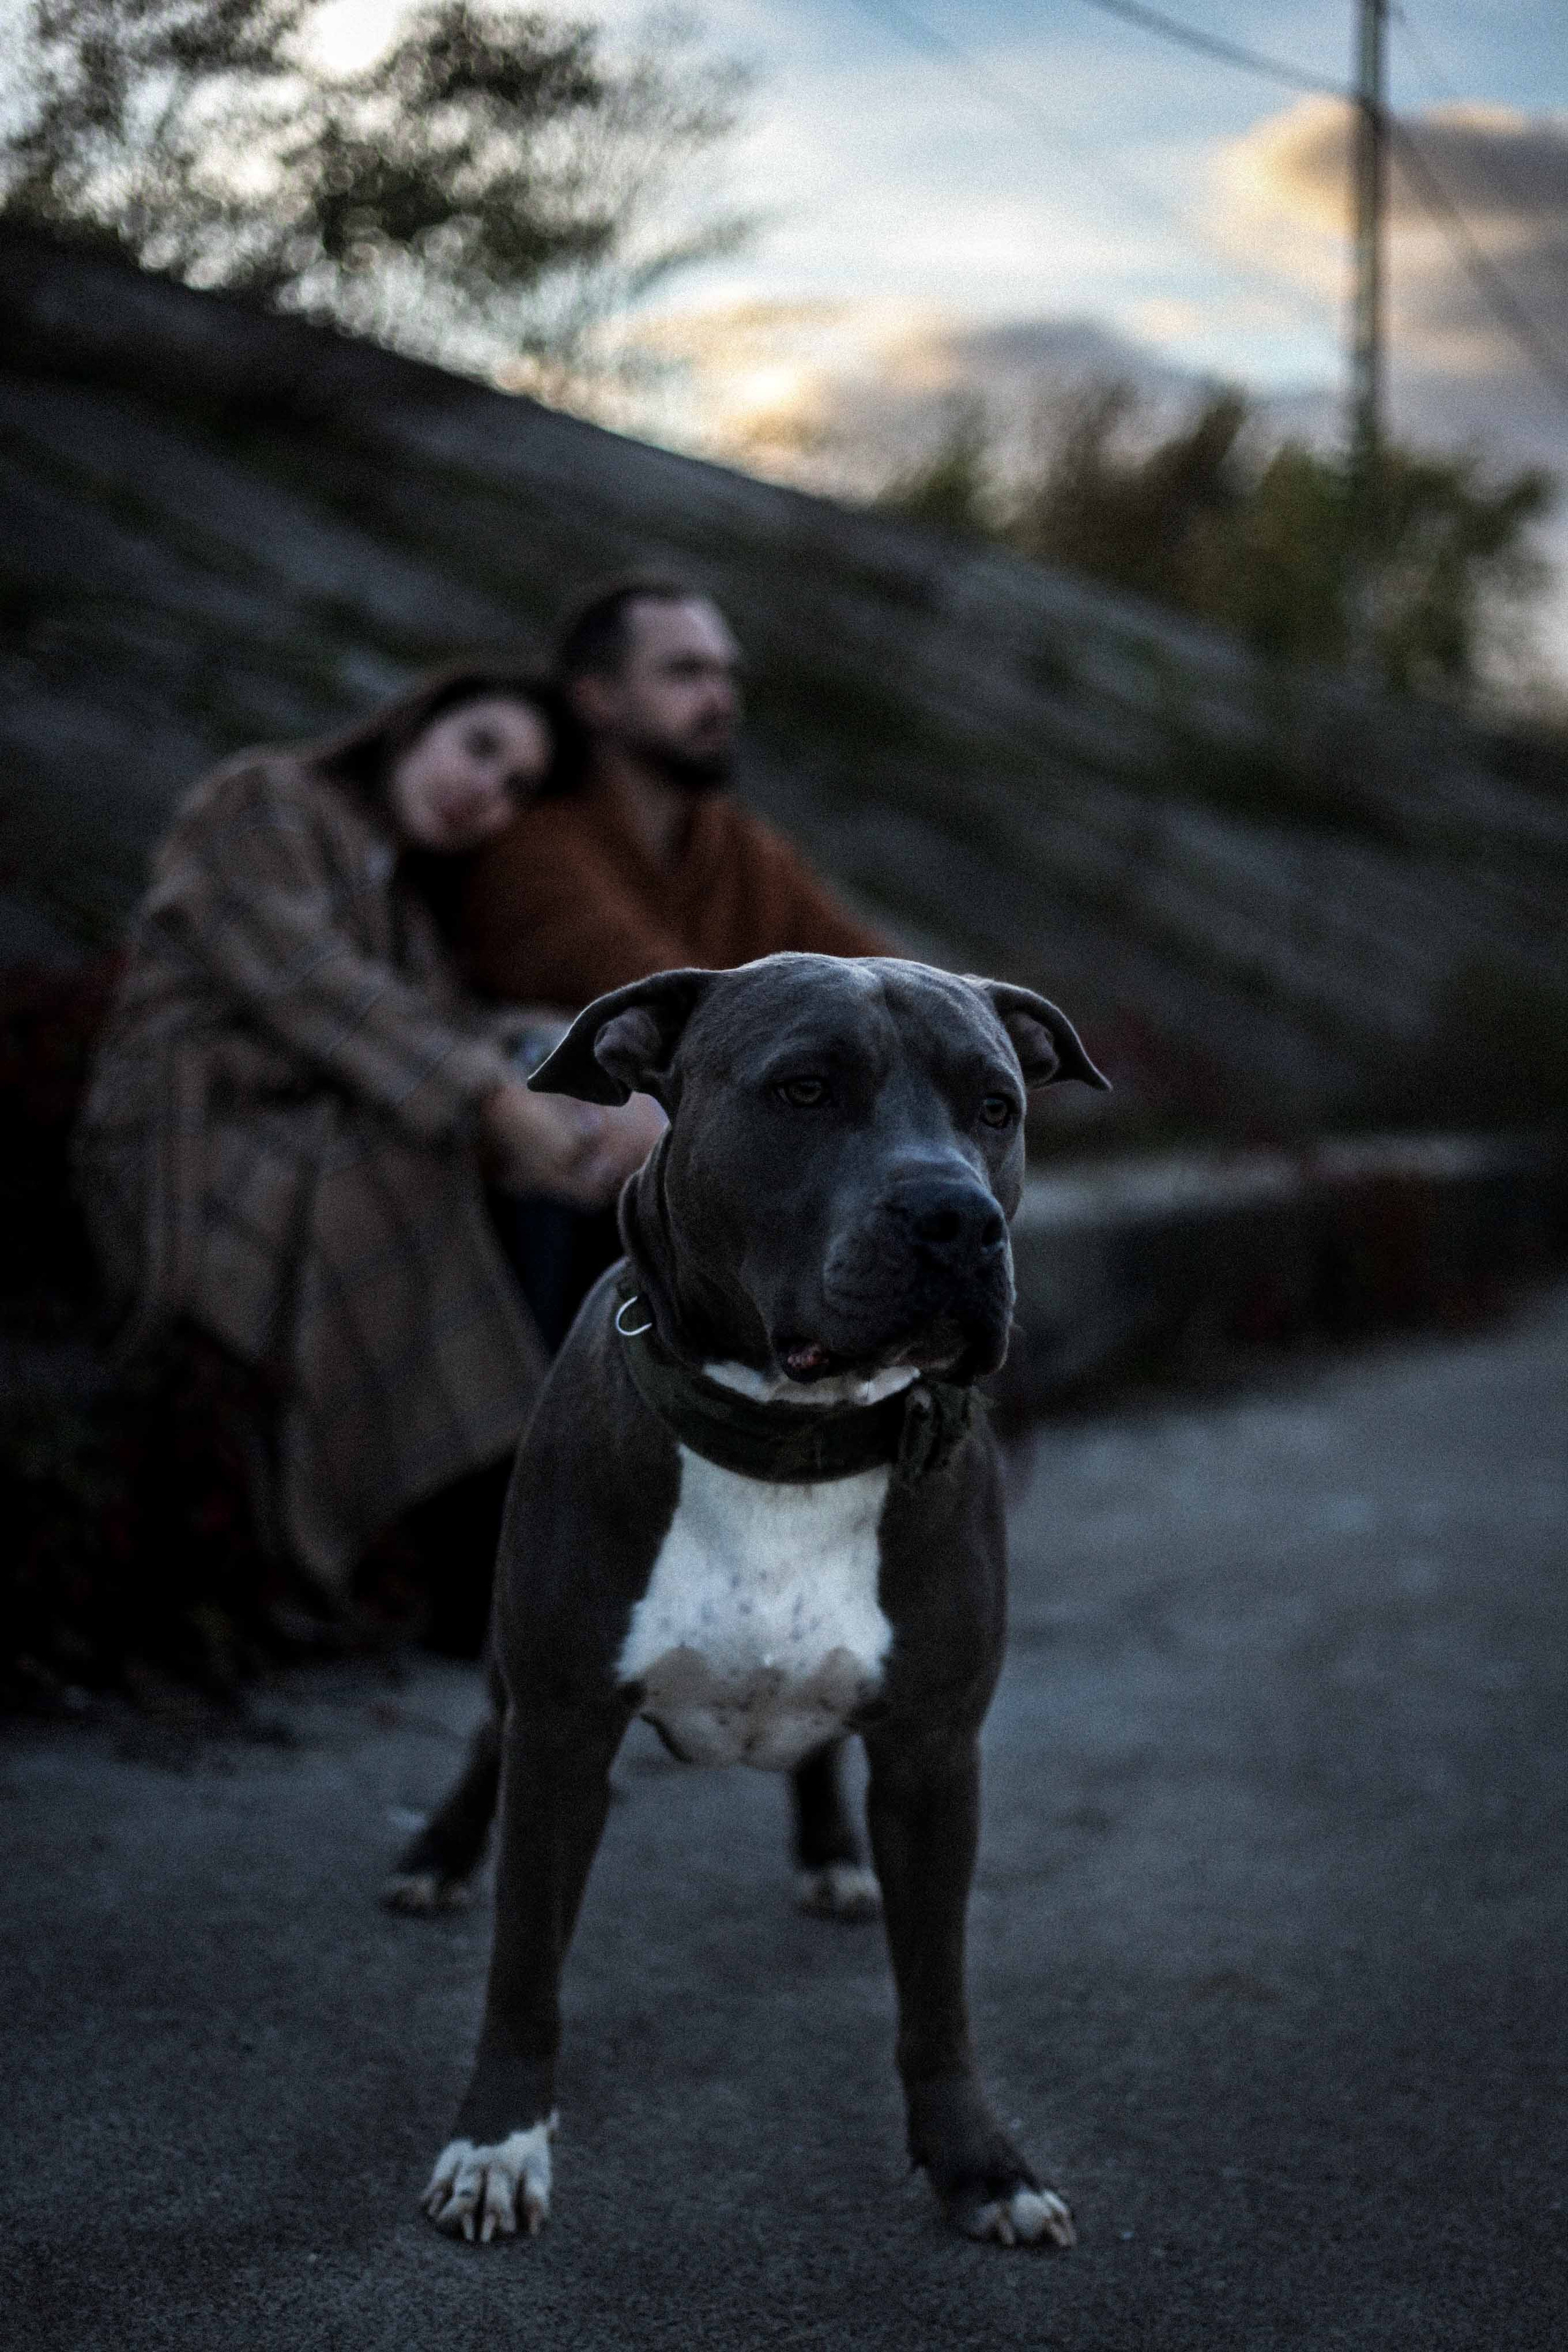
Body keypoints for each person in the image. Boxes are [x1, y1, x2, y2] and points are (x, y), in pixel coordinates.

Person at [73, 666, 658, 1640]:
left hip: (324, 1132)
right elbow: (310, 983)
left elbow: (452, 1020)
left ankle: (543, 1541)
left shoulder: (407, 900)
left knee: (579, 1176)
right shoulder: (263, 800)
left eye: (516, 788)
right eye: (480, 748)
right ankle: (484, 1570)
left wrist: (597, 1080)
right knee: (459, 1167)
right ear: (415, 725)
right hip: (191, 1135)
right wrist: (489, 1098)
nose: (488, 793)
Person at [458, 579, 892, 1006]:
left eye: (726, 674)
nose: (722, 701)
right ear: (596, 698)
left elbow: (883, 975)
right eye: (686, 672)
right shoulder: (535, 850)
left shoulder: (742, 848)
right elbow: (675, 1006)